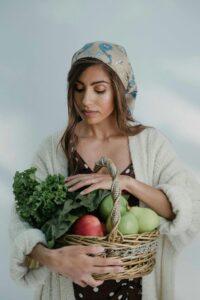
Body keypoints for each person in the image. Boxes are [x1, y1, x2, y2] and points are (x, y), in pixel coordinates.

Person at [9, 41, 200, 300]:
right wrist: (53, 259)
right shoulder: (54, 149)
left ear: (120, 91)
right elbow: (20, 221)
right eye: (78, 89)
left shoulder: (151, 144)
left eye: (99, 90)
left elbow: (186, 208)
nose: (86, 101)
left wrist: (126, 183)